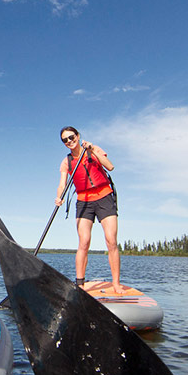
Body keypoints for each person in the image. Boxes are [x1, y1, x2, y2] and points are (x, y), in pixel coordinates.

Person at [55, 126, 123, 294]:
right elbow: (62, 183)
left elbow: (110, 166)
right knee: (83, 241)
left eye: (71, 137)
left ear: (78, 136)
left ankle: (116, 284)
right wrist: (59, 197)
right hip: (83, 201)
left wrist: (93, 150)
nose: (69, 141)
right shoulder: (66, 162)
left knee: (111, 241)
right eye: (65, 140)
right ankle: (80, 284)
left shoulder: (93, 150)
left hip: (104, 197)